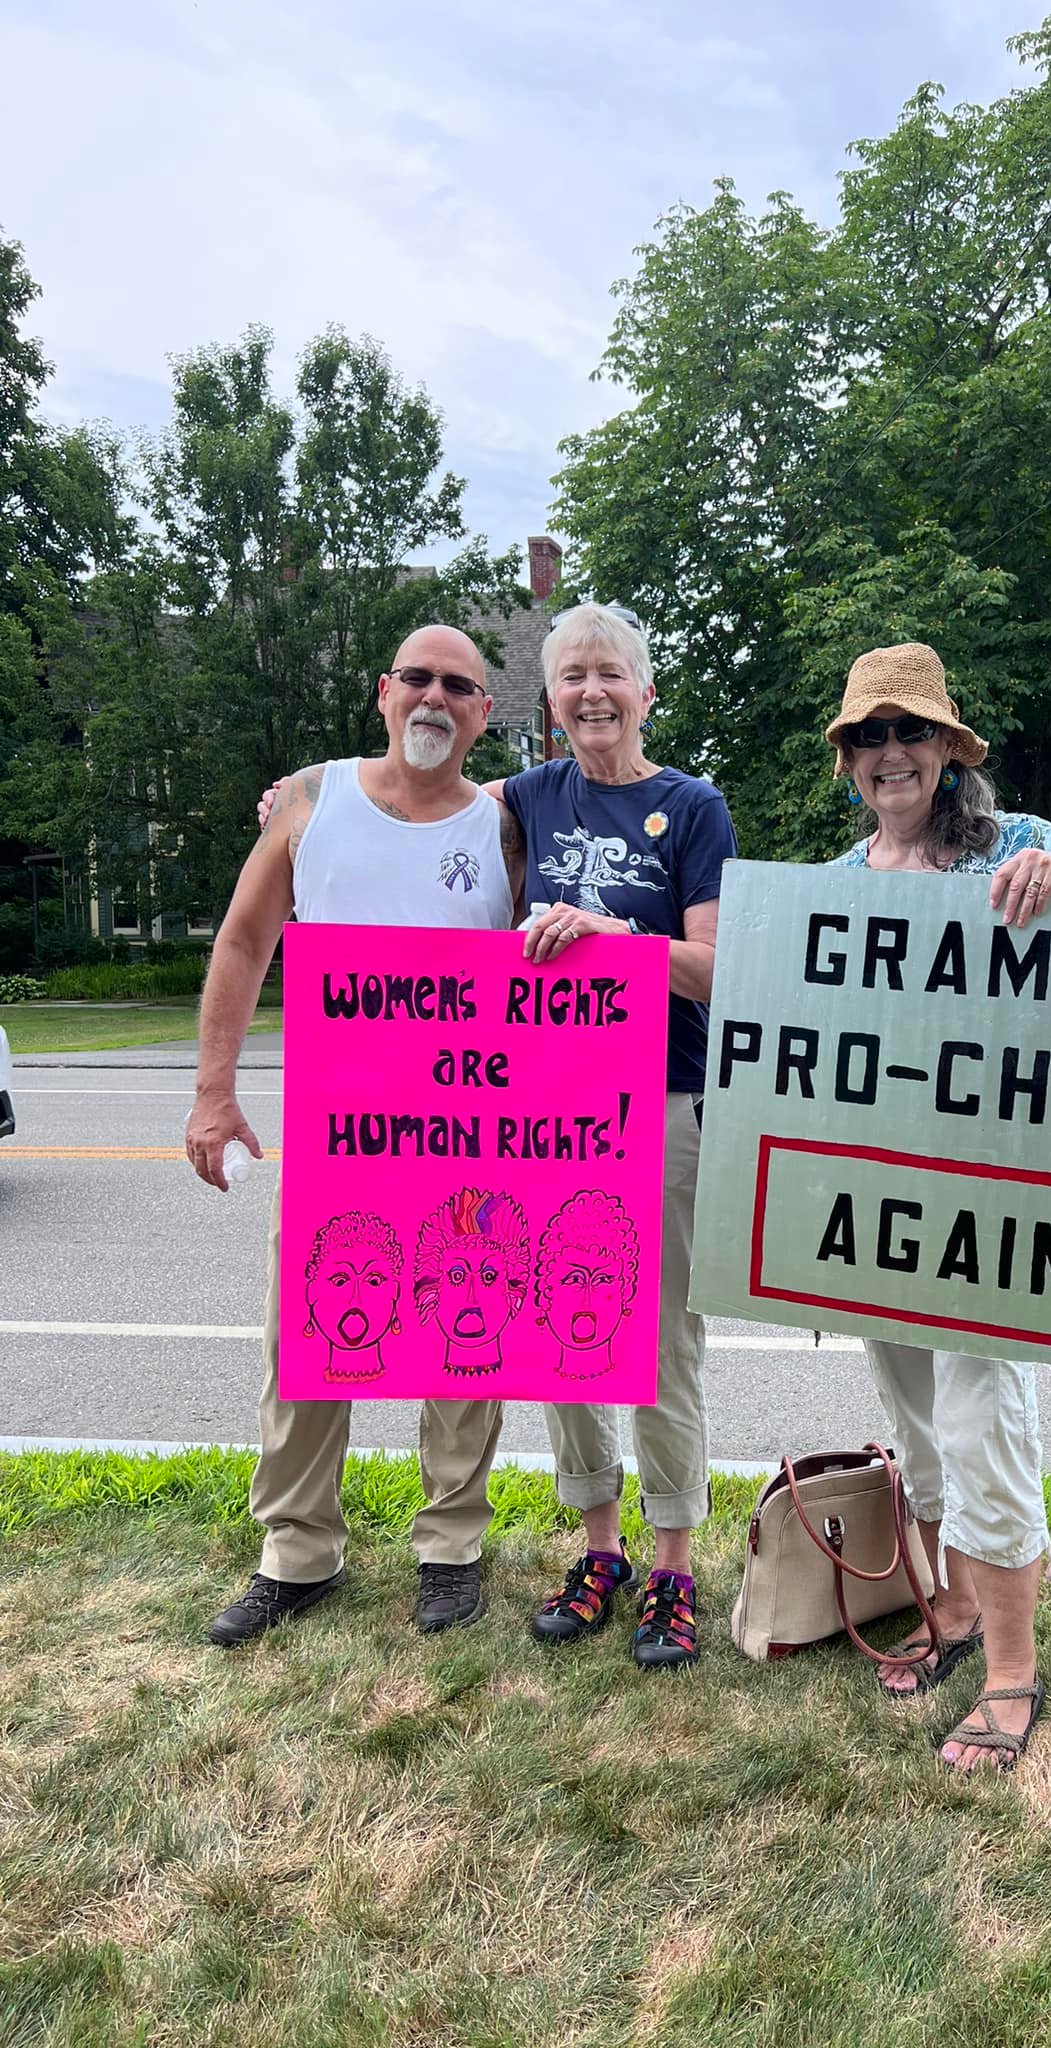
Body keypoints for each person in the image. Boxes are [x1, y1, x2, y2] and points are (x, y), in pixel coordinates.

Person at [823, 642, 1051, 1772]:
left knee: (983, 1412)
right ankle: (951, 1610)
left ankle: (1012, 1670)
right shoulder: (837, 883)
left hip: (994, 1193)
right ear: (848, 761)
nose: (891, 753)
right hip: (879, 1189)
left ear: (950, 750)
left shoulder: (1020, 846)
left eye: (910, 731)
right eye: (869, 736)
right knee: (914, 1413)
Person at [188, 624, 518, 1646]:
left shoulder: (507, 825)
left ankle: (451, 1545)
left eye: (457, 685)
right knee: (310, 1334)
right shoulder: (309, 799)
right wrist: (213, 1091)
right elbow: (244, 939)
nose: (434, 697)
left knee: (466, 1334)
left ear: (483, 712)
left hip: (466, 1131)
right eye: (417, 678)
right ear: (383, 691)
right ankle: (297, 1552)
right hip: (340, 1127)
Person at [482, 603, 736, 1671]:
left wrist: (616, 937)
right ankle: (601, 1550)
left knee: (664, 1341)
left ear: (646, 692)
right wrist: (302, 794)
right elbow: (405, 795)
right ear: (550, 701)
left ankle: (673, 1563)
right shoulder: (528, 797)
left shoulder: (694, 807)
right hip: (550, 1109)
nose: (592, 692)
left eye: (610, 674)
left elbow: (716, 970)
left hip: (666, 1101)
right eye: (572, 676)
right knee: (565, 1329)